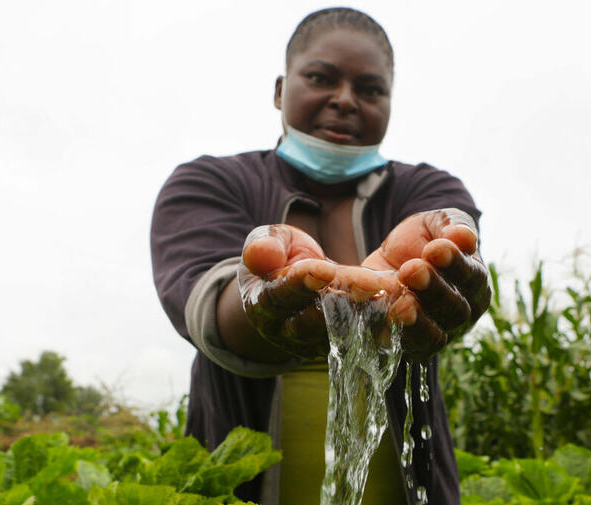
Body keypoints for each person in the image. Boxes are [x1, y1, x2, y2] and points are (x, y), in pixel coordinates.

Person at [151, 7, 490, 504]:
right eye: (320, 78)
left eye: (371, 90)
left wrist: (444, 277)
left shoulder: (427, 191)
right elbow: (205, 304)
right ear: (279, 90)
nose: (346, 100)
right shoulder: (210, 183)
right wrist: (262, 297)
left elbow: (451, 277)